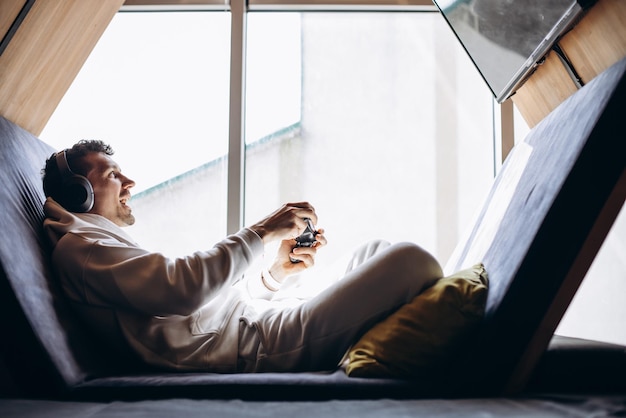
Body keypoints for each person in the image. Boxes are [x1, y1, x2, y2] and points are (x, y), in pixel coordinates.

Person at [41, 139, 444, 373]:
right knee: (411, 260)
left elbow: (194, 317)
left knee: (375, 252)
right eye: (112, 175)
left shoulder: (96, 243)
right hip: (257, 345)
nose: (130, 182)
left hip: (254, 324)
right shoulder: (83, 249)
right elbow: (180, 290)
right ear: (81, 193)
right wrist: (262, 231)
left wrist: (273, 276)